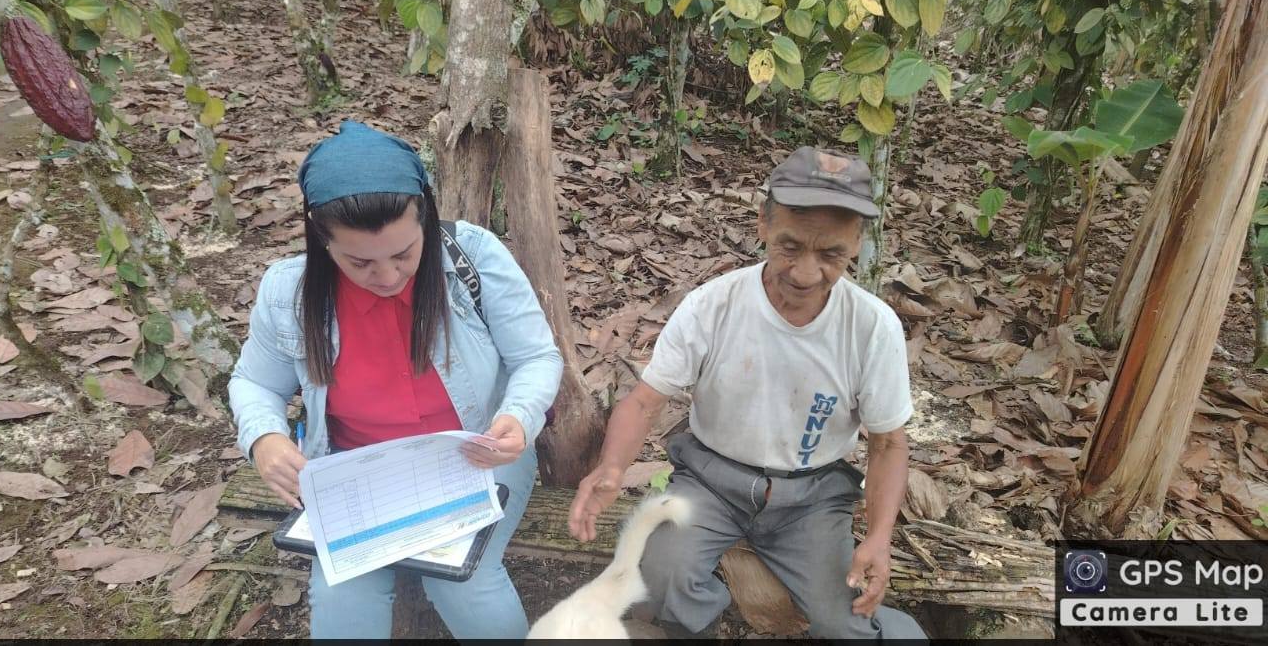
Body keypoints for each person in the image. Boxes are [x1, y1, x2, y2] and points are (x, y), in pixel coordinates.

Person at [567, 147, 927, 639]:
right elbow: (645, 401)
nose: (805, 274)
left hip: (813, 497)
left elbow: (888, 443)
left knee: (846, 616)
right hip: (711, 481)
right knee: (662, 571)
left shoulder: (872, 326)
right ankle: (697, 627)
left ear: (857, 243)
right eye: (789, 246)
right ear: (763, 223)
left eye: (831, 255)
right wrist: (611, 468)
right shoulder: (713, 306)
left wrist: (880, 537)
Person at [228, 120, 562, 639]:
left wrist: (516, 418)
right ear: (320, 237)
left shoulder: (473, 257)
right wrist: (264, 438)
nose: (386, 277)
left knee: (463, 581)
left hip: (475, 456)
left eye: (404, 253)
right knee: (341, 592)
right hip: (358, 469)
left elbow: (537, 357)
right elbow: (254, 383)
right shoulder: (287, 292)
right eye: (359, 261)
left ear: (424, 215)